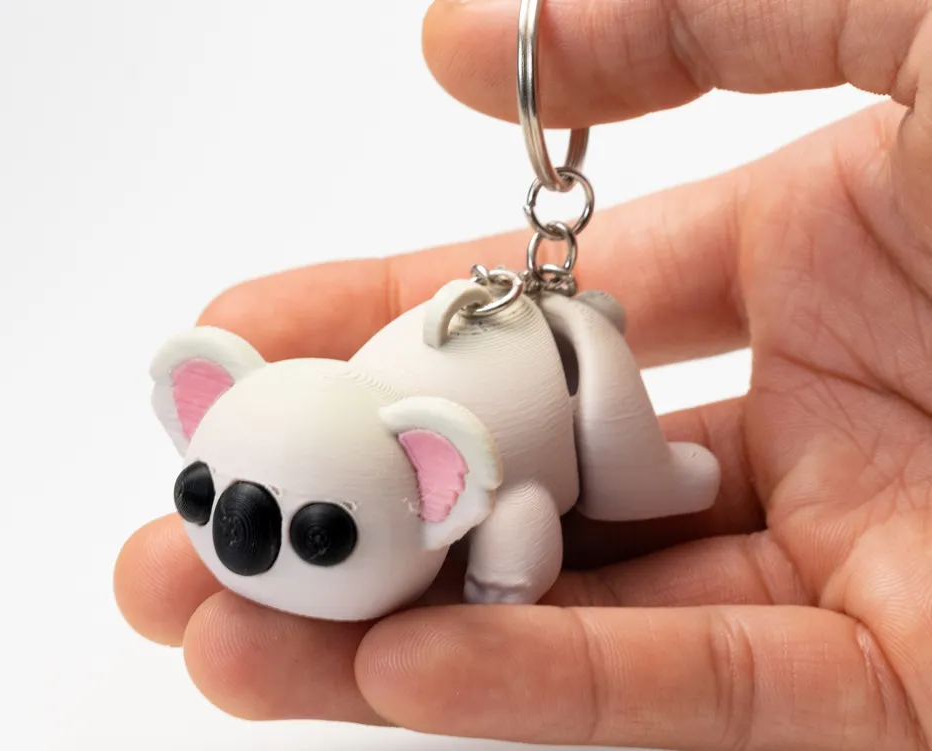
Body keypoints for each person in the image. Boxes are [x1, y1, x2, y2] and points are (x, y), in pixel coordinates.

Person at [113, 1, 932, 748]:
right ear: (199, 408)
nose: (237, 537)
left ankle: (657, 473)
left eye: (321, 535)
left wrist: (503, 582)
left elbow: (527, 504)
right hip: (470, 367)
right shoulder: (371, 433)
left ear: (438, 486)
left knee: (611, 480)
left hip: (543, 378)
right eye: (199, 494)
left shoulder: (455, 456)